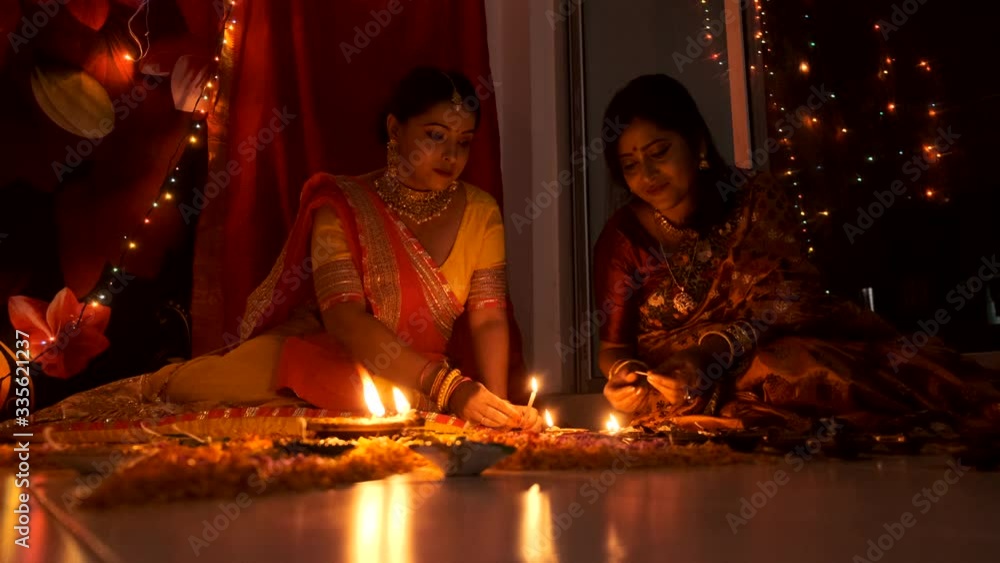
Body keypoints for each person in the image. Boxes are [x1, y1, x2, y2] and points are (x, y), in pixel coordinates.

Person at [25, 67, 543, 432]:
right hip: (328, 361)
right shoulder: (342, 202)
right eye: (435, 135)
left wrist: (495, 408)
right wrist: (453, 391)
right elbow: (343, 319)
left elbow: (490, 318)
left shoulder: (480, 210)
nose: (452, 154)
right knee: (177, 396)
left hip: (416, 379)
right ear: (394, 129)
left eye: (464, 140)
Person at [595, 74, 999, 432]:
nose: (646, 176)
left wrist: (710, 352)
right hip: (677, 394)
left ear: (697, 143)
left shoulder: (755, 198)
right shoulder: (623, 236)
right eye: (630, 165)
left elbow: (789, 299)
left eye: (659, 152)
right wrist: (624, 374)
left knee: (801, 365)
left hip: (763, 360)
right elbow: (614, 347)